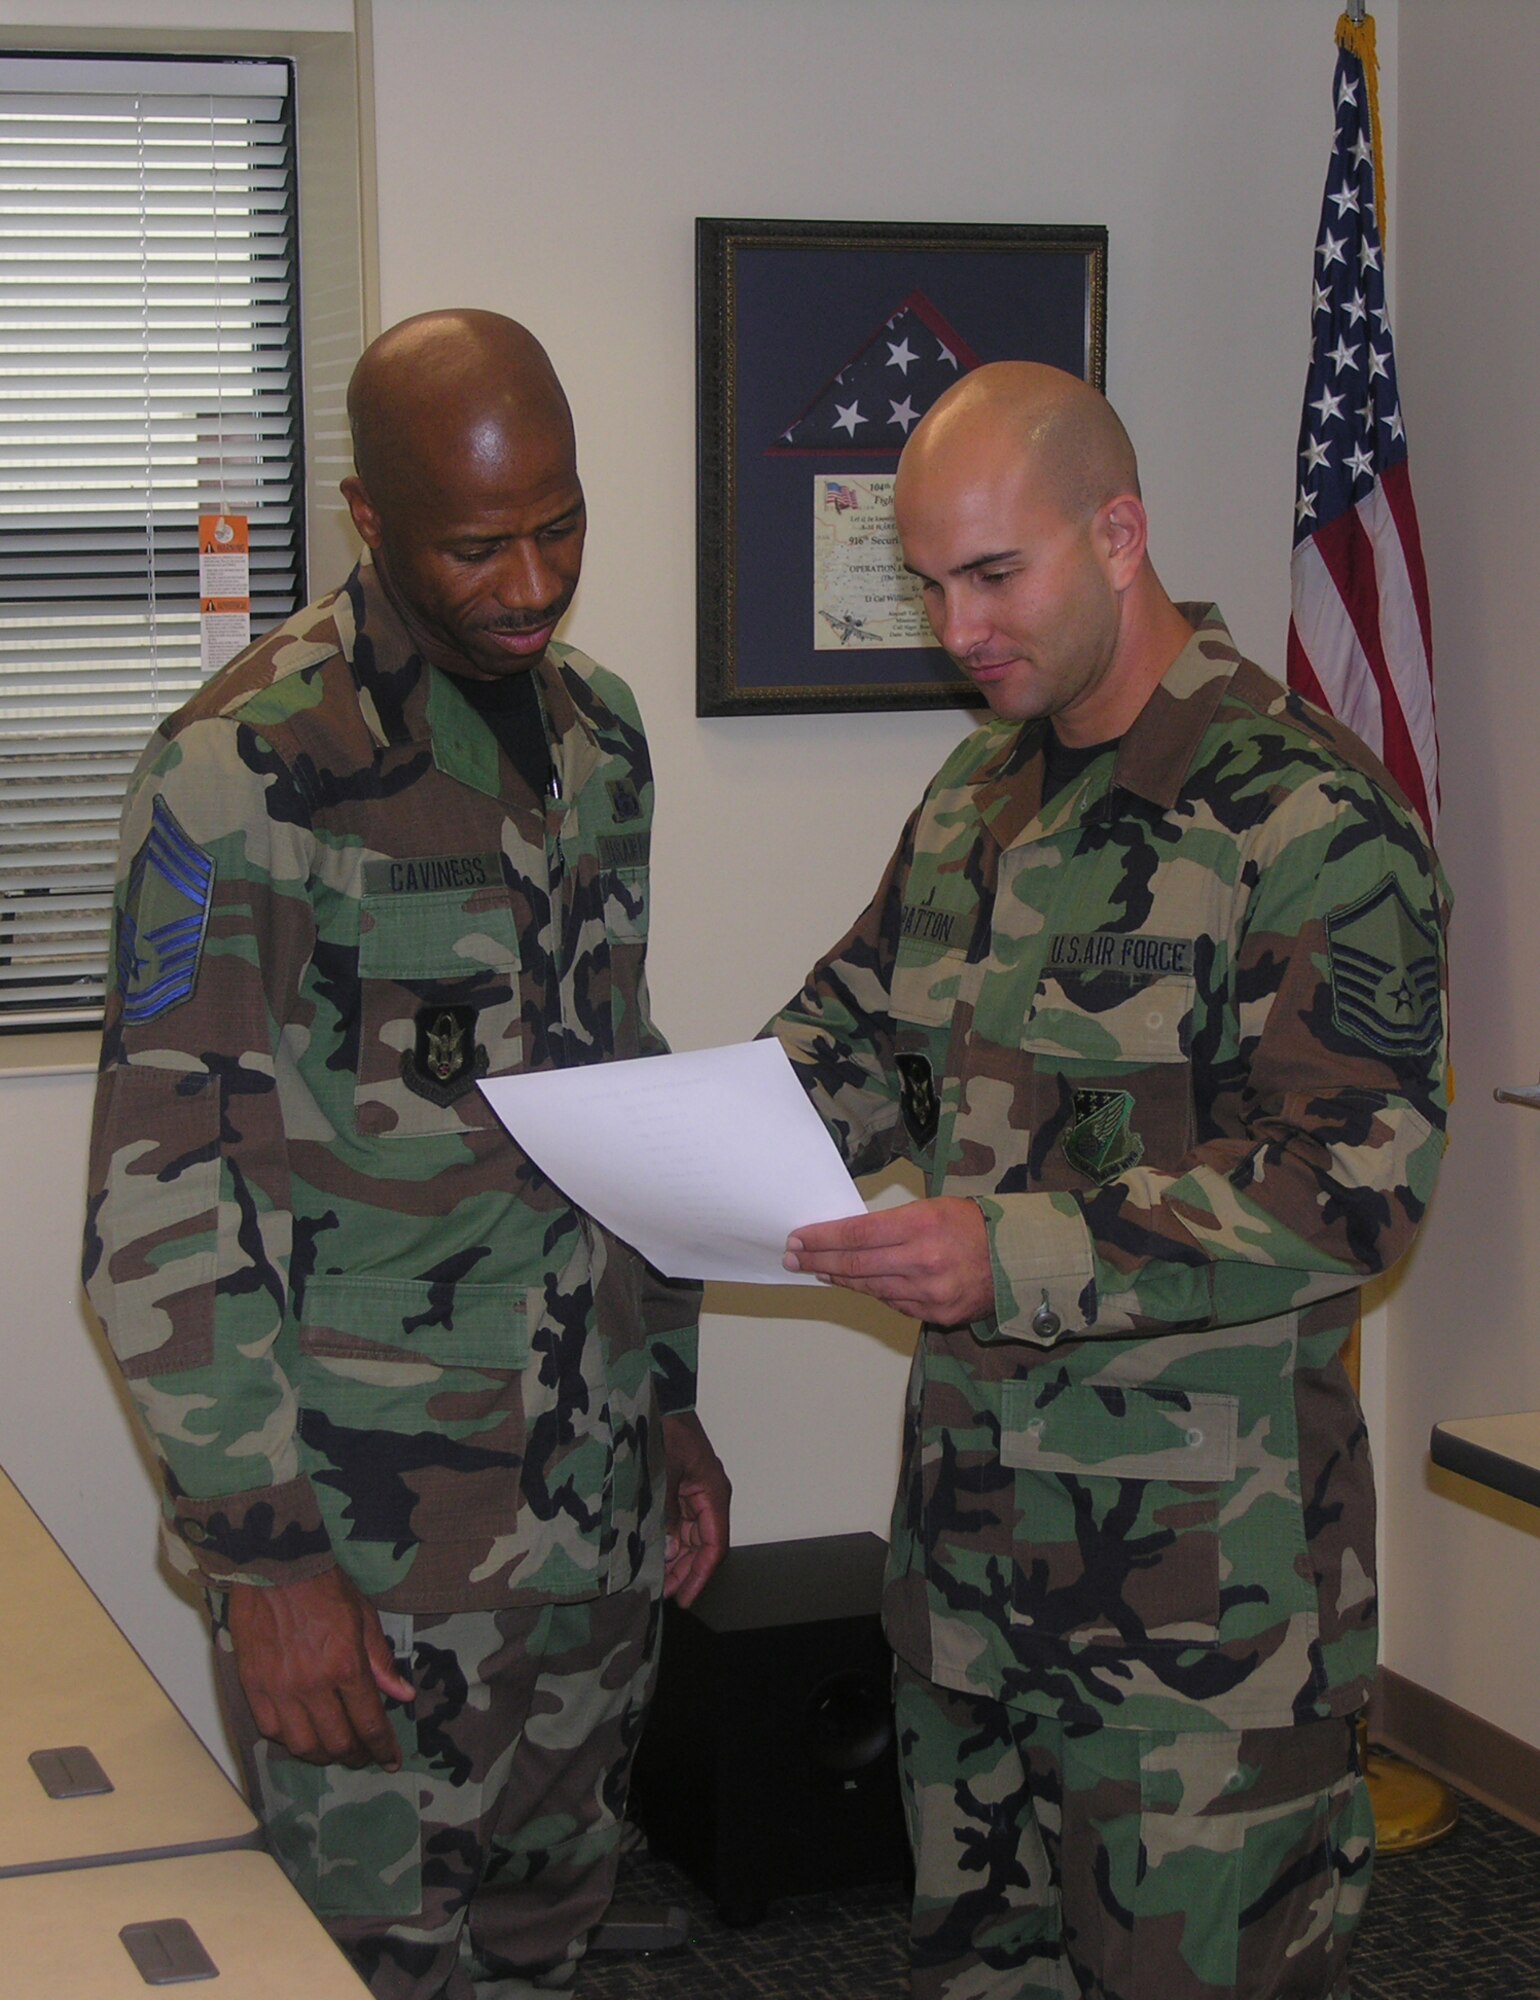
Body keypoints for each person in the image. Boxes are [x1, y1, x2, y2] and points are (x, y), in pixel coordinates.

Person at [773, 361, 1448, 2000]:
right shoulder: (976, 799)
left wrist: (1008, 1254)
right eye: (928, 583)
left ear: (1121, 533)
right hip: (971, 1576)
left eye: (994, 575)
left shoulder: (1307, 818)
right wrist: (683, 1141)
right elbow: (844, 1039)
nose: (958, 627)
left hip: (1201, 1621)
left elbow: (1350, 1186)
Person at [83, 309, 730, 2000]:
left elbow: (623, 1085)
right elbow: (162, 1205)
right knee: (367, 1964)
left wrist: (668, 1397)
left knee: (547, 1935)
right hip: (372, 1540)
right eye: (478, 545)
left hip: (587, 1512)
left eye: (562, 525)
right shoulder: (244, 769)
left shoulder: (599, 734)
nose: (532, 584)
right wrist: (267, 1566)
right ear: (370, 518)